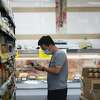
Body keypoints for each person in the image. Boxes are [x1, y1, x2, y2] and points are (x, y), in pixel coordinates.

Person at [34, 35, 68, 100]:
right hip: (54, 89)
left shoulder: (60, 54)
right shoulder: (54, 54)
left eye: (44, 48)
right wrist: (41, 68)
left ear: (49, 45)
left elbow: (56, 71)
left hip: (58, 90)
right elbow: (53, 69)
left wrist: (43, 68)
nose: (44, 51)